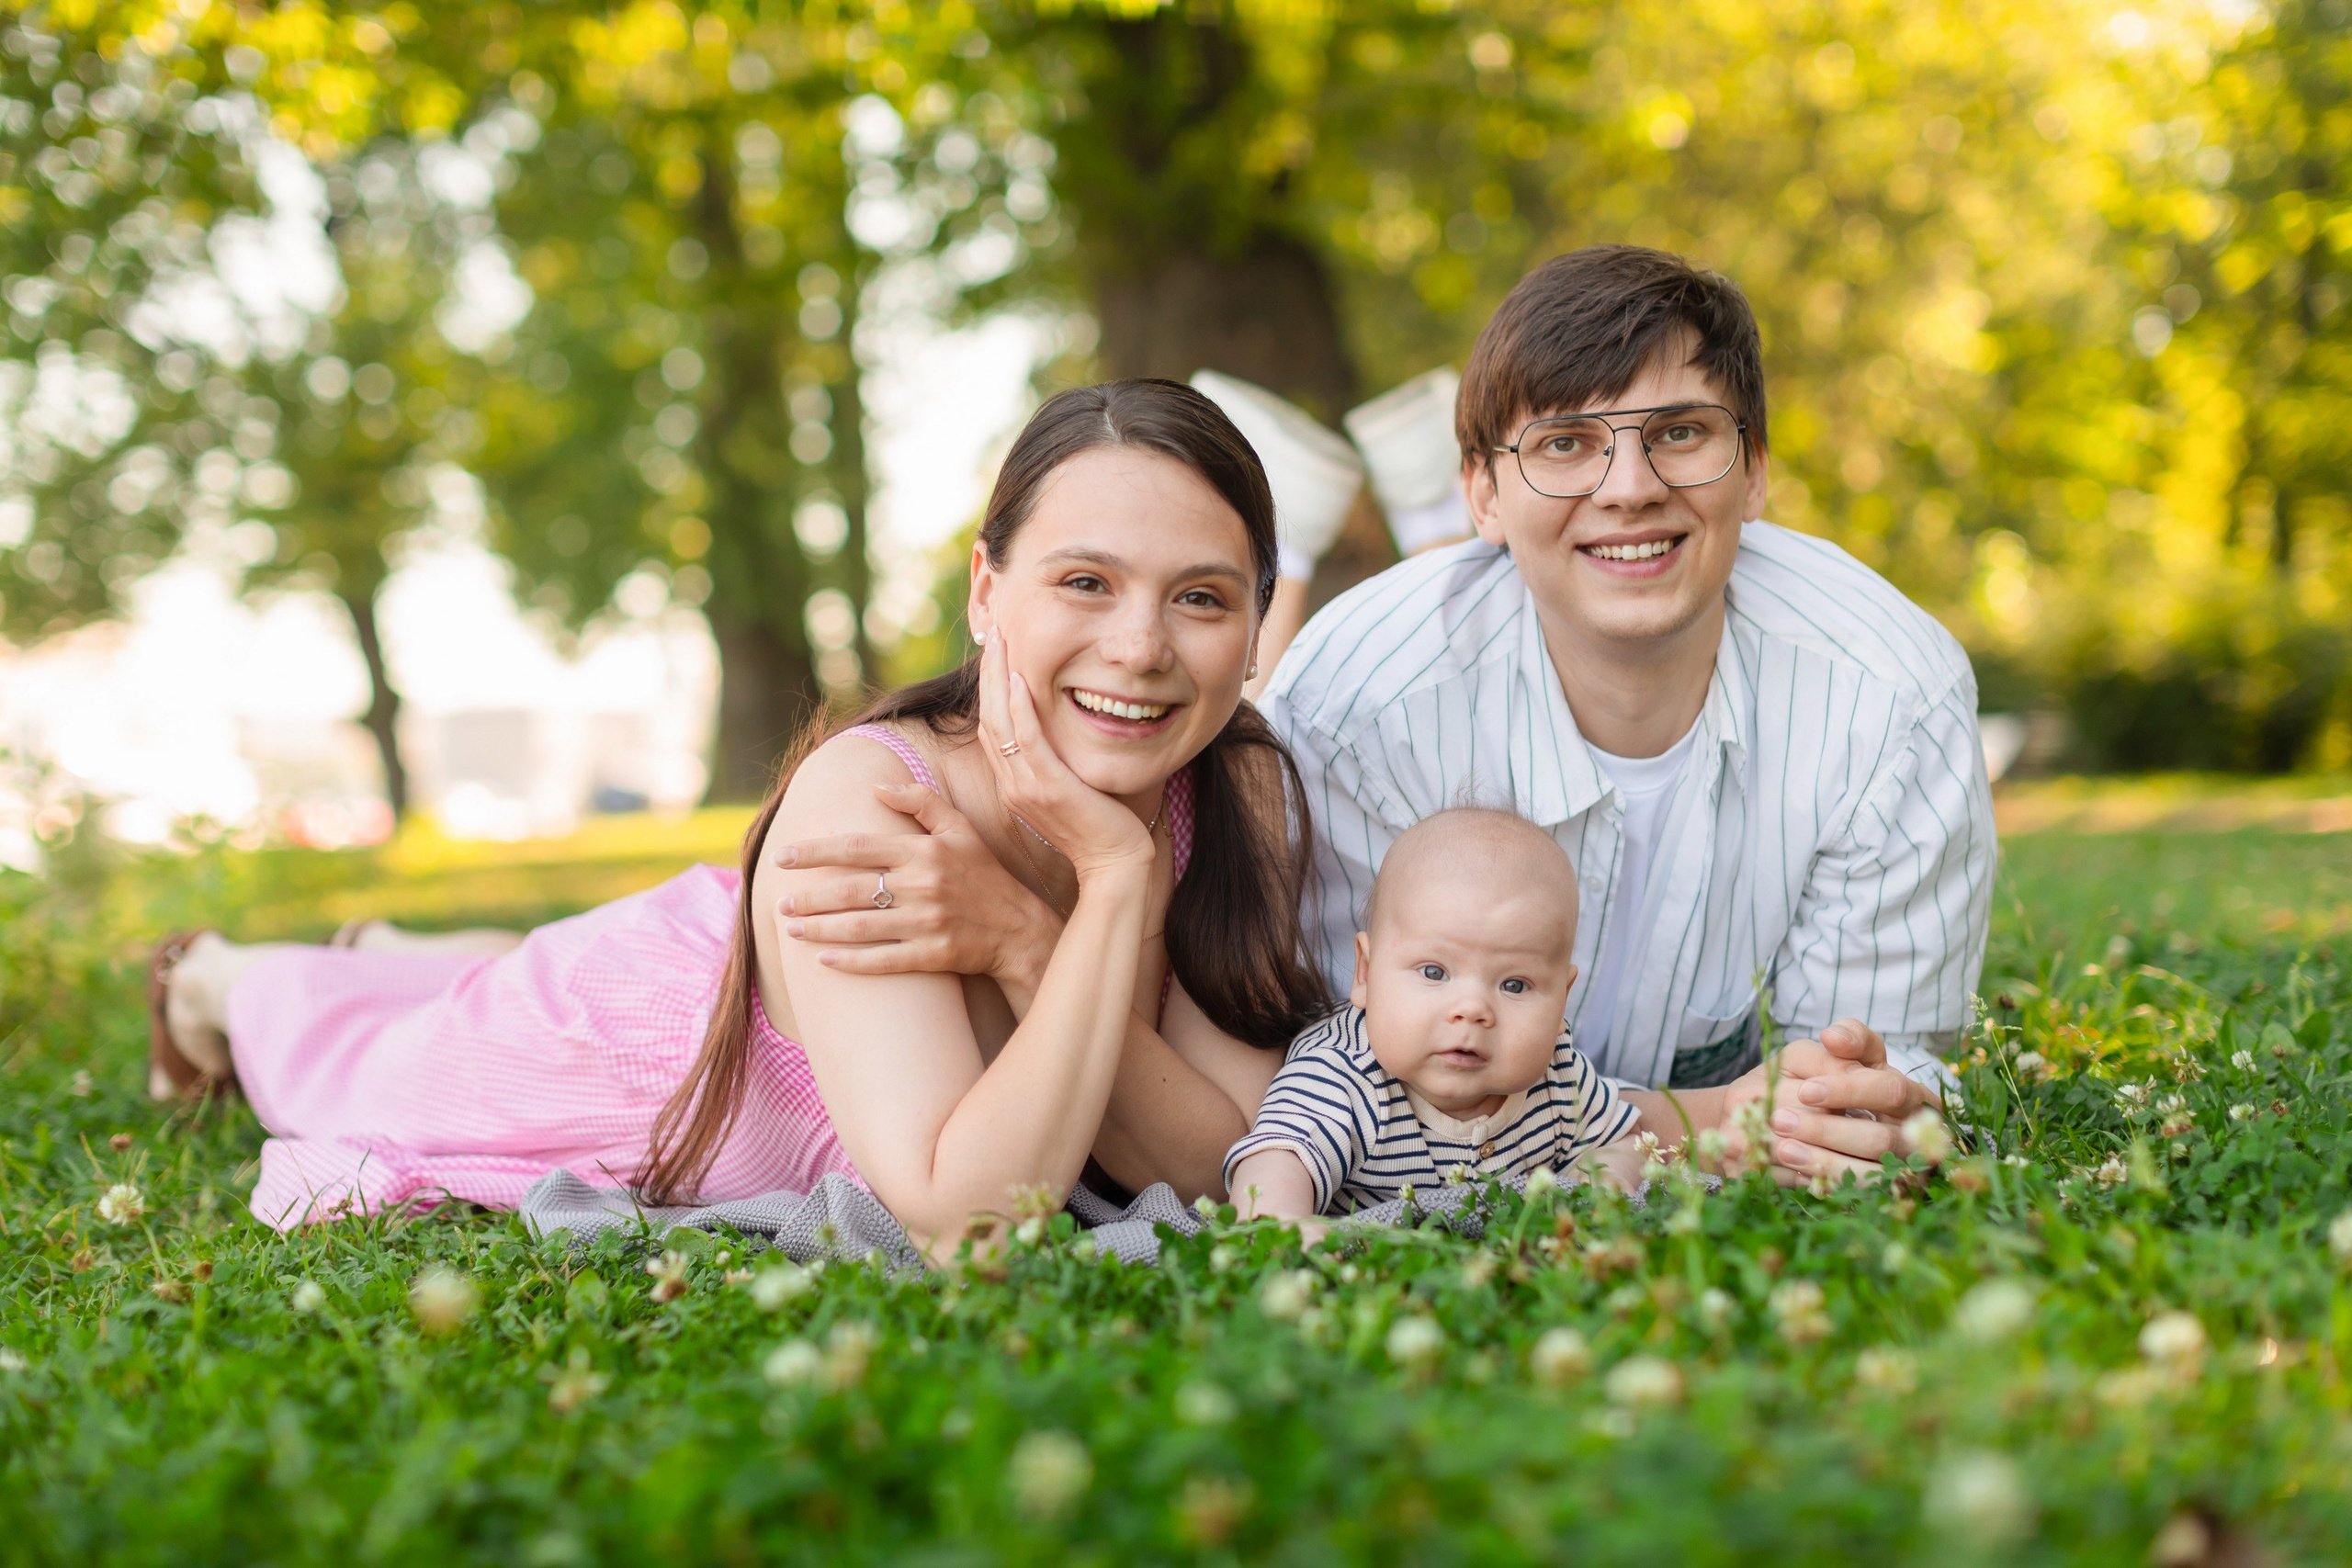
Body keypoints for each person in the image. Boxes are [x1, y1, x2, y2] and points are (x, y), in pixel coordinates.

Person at [145, 379, 1329, 1255]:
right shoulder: (877, 803)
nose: (1139, 646)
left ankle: (394, 953)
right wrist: (1113, 893)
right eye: (1084, 582)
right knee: (372, 1068)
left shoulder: (1233, 789)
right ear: (985, 591)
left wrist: (1040, 933)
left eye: (1200, 598)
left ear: (1255, 626)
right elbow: (969, 1219)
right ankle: (217, 979)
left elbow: (1224, 1165)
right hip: (620, 1043)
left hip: (735, 960)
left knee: (474, 975)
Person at [1260, 245, 1994, 1184]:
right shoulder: (1359, 702)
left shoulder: (1889, 697)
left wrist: (1857, 1112)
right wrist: (1700, 1127)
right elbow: (1348, 1070)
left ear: (1754, 470)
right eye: (1565, 443)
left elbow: (1878, 1060)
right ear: (1482, 495)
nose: (1630, 488)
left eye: (1680, 432)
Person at [1226, 807, 1643, 1221]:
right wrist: (1284, 1225)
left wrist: (1605, 1175)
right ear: (1366, 972)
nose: (1472, 1010)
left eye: (1514, 985)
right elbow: (1275, 1162)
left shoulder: (1558, 1073)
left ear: (1561, 1002)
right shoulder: (1342, 1076)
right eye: (1434, 972)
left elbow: (1624, 1141)